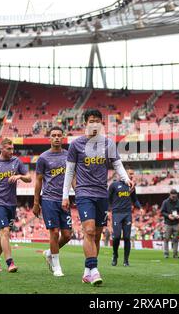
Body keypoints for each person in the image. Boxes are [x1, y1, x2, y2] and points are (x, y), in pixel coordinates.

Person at [61, 109, 134, 286]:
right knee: (89, 230)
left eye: (98, 121)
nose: (95, 124)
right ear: (85, 123)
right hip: (84, 193)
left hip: (102, 193)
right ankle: (94, 270)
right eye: (91, 120)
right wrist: (65, 195)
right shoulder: (76, 144)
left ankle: (87, 271)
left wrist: (126, 178)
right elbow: (70, 171)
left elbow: (117, 164)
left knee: (97, 235)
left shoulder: (108, 144)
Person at [0, 138, 31, 273]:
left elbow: (29, 177)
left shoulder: (17, 162)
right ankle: (10, 262)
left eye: (12, 148)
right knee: (5, 231)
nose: (11, 151)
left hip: (12, 204)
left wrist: (20, 176)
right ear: (1, 148)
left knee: (4, 233)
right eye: (8, 148)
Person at [33, 126, 73, 277]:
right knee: (54, 232)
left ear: (62, 138)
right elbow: (38, 181)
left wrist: (78, 193)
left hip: (64, 200)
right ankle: (57, 267)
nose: (56, 137)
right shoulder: (43, 158)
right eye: (53, 135)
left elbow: (73, 176)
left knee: (67, 235)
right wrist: (36, 203)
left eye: (59, 135)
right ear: (49, 138)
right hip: (48, 199)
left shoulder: (69, 155)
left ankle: (50, 253)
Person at [108, 169, 142, 267]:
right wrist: (109, 210)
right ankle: (115, 255)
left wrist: (140, 207)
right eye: (131, 173)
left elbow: (135, 200)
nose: (132, 175)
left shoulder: (131, 186)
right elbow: (108, 198)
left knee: (127, 237)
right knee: (117, 237)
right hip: (116, 214)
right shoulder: (114, 185)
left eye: (133, 173)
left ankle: (126, 260)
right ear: (124, 173)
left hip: (127, 214)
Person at [160, 189, 179, 259]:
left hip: (176, 223)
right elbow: (162, 212)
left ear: (176, 195)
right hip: (168, 223)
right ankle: (166, 253)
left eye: (175, 195)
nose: (173, 196)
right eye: (172, 195)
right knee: (166, 238)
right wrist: (168, 216)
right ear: (170, 194)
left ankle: (175, 254)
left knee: (176, 239)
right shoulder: (165, 202)